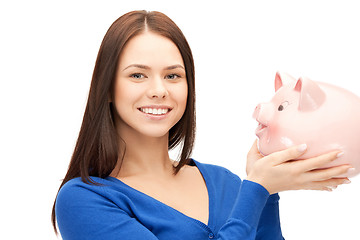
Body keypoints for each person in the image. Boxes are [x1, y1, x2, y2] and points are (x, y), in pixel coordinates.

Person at [51, 10, 352, 240]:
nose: (159, 90)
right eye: (137, 75)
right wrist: (258, 190)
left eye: (173, 76)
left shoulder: (229, 184)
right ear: (106, 89)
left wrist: (268, 189)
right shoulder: (84, 199)